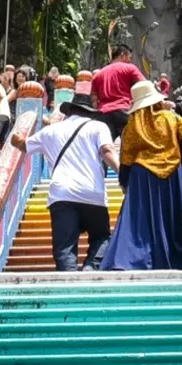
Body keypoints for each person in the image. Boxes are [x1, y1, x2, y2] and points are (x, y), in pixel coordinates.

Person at [100, 80, 182, 270]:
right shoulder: (172, 118)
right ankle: (175, 261)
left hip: (141, 176)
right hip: (173, 173)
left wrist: (124, 182)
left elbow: (126, 157)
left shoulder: (132, 125)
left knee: (139, 221)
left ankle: (134, 261)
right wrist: (181, 159)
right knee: (171, 218)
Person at [27, 105, 118, 270]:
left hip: (62, 194)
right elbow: (107, 150)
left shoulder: (50, 131)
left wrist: (16, 138)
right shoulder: (98, 126)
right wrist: (123, 174)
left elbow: (24, 145)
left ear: (68, 113)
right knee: (101, 238)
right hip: (93, 194)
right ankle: (91, 268)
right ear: (90, 113)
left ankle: (69, 278)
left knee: (65, 246)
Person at [90, 44, 143, 135]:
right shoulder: (130, 68)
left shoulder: (98, 75)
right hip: (124, 111)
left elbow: (94, 100)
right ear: (123, 55)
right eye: (129, 57)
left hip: (103, 114)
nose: (130, 61)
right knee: (130, 142)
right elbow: (144, 85)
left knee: (105, 142)